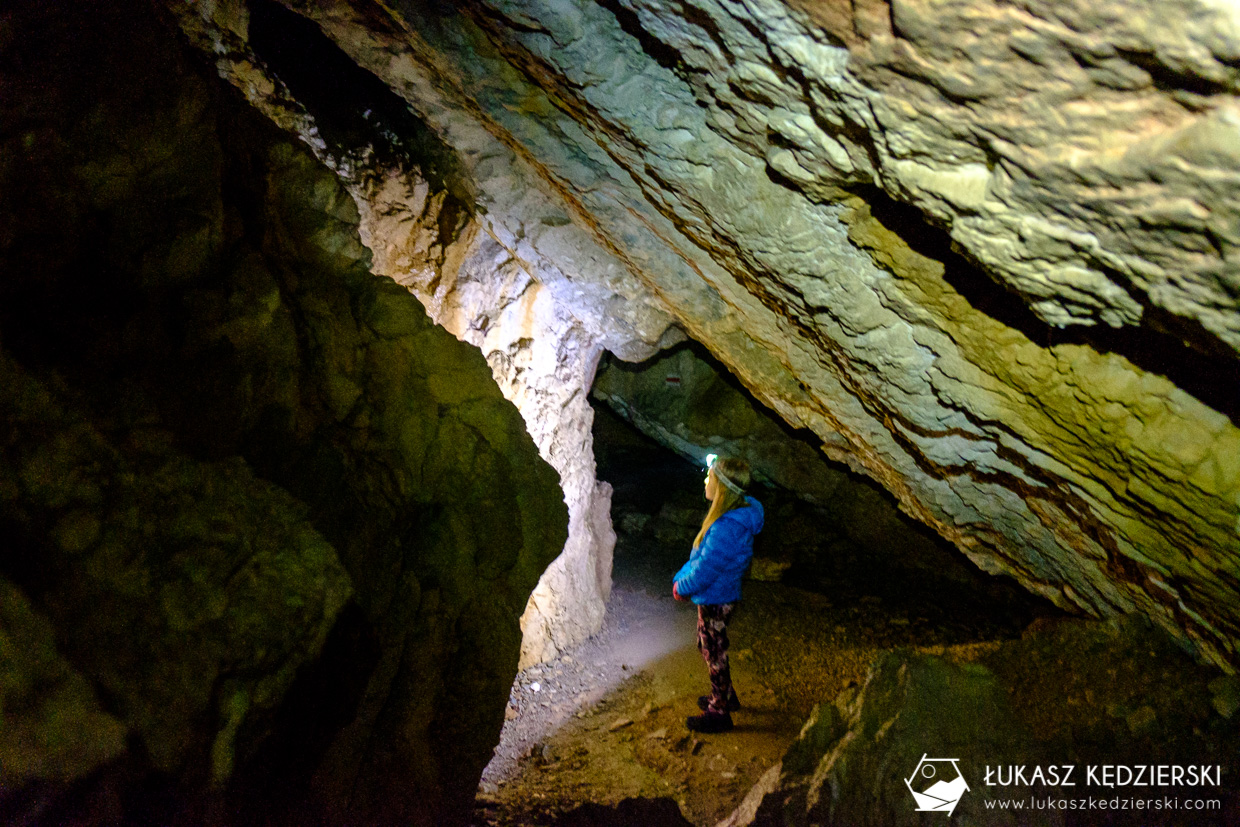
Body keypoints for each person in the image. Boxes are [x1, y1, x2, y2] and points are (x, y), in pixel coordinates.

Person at [672, 456, 763, 733]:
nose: (704, 480)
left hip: (716, 597)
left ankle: (719, 712)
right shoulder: (731, 520)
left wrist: (682, 586)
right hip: (720, 595)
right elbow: (702, 561)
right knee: (711, 646)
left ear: (721, 487)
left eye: (709, 476)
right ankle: (725, 695)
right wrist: (683, 575)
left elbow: (706, 570)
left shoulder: (724, 528)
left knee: (714, 652)